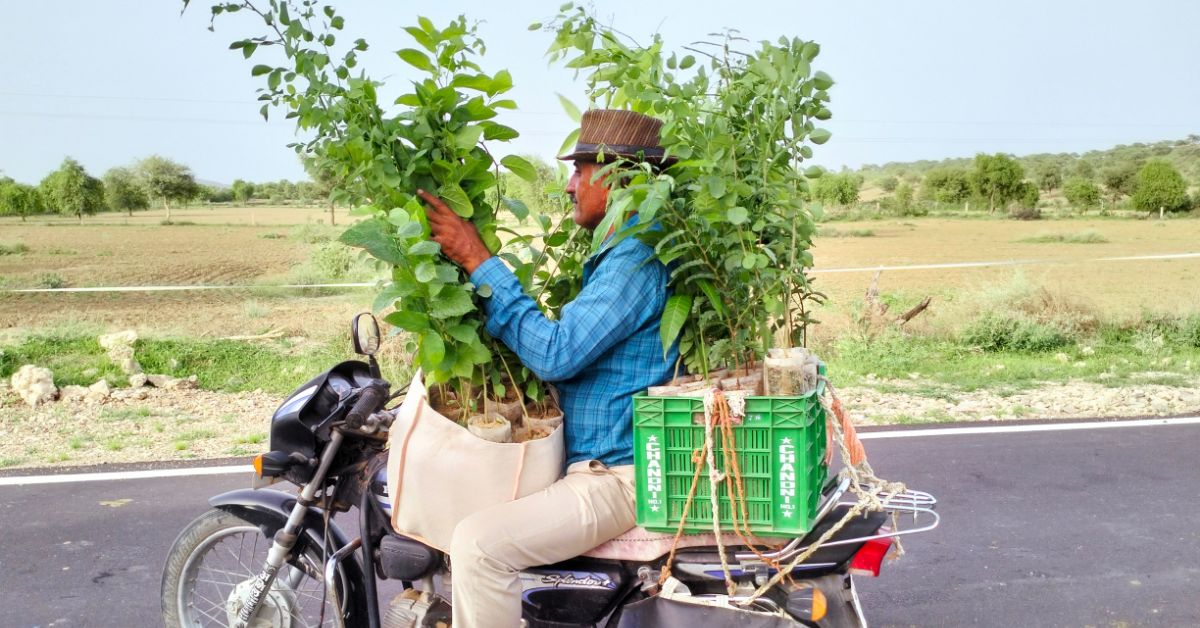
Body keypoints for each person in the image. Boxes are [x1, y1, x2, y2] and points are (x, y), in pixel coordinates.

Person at [418, 108, 679, 627]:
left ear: (616, 177)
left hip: (614, 477)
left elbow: (557, 354)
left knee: (478, 546)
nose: (569, 186)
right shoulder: (621, 254)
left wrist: (477, 257)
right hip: (603, 466)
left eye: (580, 171)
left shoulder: (634, 262)